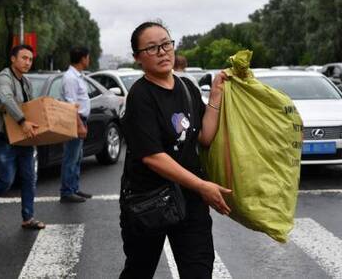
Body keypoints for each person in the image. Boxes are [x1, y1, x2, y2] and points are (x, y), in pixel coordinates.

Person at [119, 21, 231, 279]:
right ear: (138, 58)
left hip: (190, 200)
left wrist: (215, 97)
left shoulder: (187, 88)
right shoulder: (140, 96)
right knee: (139, 270)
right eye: (152, 48)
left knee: (199, 270)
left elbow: (203, 137)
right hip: (148, 201)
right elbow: (153, 157)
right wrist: (203, 186)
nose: (162, 51)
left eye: (166, 44)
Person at [0, 44, 45, 230]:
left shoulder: (26, 82)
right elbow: (7, 99)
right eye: (24, 58)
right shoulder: (4, 79)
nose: (27, 62)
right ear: (13, 59)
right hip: (2, 137)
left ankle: (28, 218)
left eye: (30, 59)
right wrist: (23, 121)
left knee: (29, 177)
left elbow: (30, 106)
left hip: (22, 137)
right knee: (7, 179)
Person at [59, 46, 92, 203]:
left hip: (80, 119)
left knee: (77, 157)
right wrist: (79, 124)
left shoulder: (78, 76)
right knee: (71, 158)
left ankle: (74, 188)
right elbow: (71, 104)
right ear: (83, 58)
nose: (89, 60)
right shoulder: (70, 78)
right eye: (88, 57)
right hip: (73, 121)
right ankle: (66, 192)